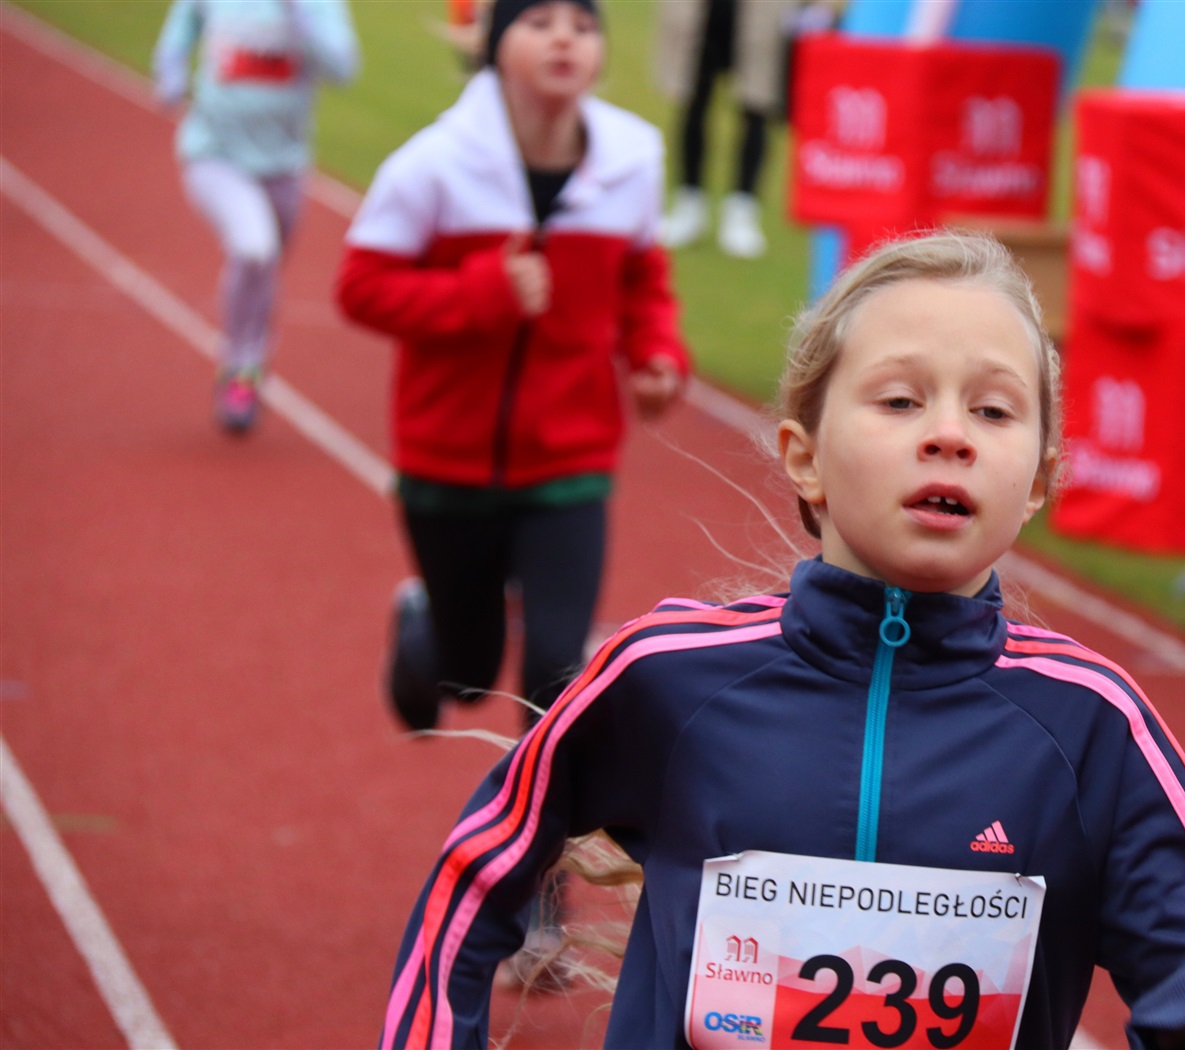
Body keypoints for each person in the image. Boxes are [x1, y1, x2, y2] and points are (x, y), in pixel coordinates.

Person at [378, 231, 1185, 1049]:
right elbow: (476, 875)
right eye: (901, 401)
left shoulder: (1090, 728)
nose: (950, 435)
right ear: (805, 457)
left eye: (992, 411)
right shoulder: (666, 679)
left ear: (1037, 481)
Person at [334, 0, 690, 738]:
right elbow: (360, 287)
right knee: (466, 675)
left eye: (583, 26)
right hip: (447, 458)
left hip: (571, 459)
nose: (564, 38)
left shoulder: (632, 161)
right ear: (494, 45)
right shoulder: (434, 164)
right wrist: (483, 294)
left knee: (555, 671)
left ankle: (538, 813)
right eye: (539, 22)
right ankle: (422, 628)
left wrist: (657, 354)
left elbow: (642, 280)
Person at [153, 0, 359, 434]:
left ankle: (251, 361)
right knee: (253, 248)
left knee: (265, 268)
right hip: (214, 153)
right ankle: (240, 367)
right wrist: (171, 74)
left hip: (284, 165)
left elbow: (342, 68)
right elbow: (178, 32)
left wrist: (301, 17)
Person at [653, 0, 829, 258]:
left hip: (764, 13)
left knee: (756, 107)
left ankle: (742, 209)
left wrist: (820, 8)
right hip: (704, 12)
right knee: (693, 102)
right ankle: (689, 203)